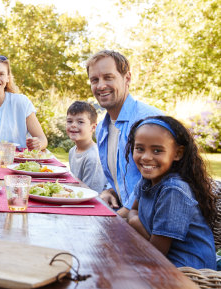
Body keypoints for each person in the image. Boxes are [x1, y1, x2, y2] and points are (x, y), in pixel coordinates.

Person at [126, 116, 216, 269]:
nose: (146, 157)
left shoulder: (173, 191)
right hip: (157, 255)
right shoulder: (147, 180)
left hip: (187, 268)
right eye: (140, 148)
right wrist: (133, 219)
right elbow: (132, 211)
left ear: (177, 153)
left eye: (157, 150)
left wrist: (134, 222)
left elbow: (157, 255)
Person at [87, 50, 162, 217]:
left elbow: (161, 182)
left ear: (127, 78)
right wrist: (109, 191)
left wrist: (125, 212)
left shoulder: (149, 122)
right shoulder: (102, 128)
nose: (100, 86)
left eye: (108, 77)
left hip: (156, 229)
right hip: (127, 218)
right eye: (94, 80)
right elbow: (120, 176)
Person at [66, 101, 106, 192]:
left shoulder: (93, 157)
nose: (73, 125)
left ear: (93, 127)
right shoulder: (72, 151)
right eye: (69, 121)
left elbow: (92, 193)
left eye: (80, 122)